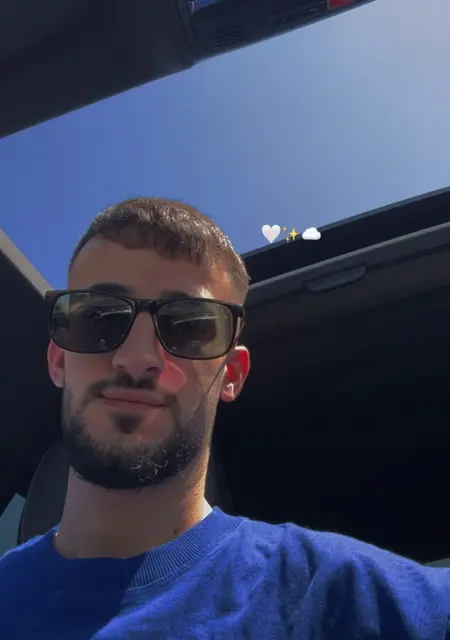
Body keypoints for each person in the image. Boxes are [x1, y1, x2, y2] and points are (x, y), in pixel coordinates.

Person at [1, 197, 449, 639]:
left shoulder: (338, 595)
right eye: (99, 317)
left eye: (189, 326)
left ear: (232, 374)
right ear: (58, 359)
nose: (137, 359)